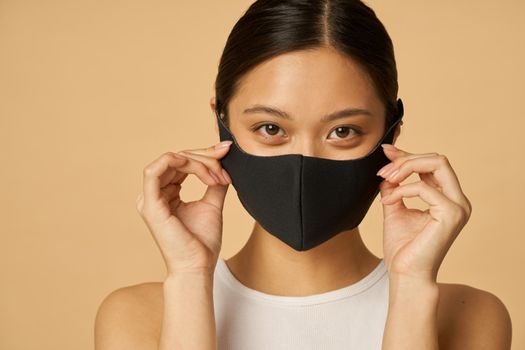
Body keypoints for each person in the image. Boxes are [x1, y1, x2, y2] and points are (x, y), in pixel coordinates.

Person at [94, 1, 512, 349]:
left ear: (392, 132)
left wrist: (411, 286)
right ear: (221, 124)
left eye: (343, 131)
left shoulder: (470, 317)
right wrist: (189, 277)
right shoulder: (138, 317)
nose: (303, 161)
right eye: (271, 129)